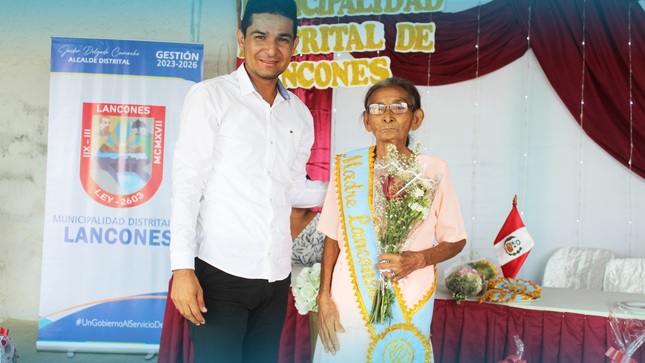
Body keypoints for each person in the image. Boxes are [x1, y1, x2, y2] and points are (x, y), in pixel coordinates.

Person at [169, 0, 327, 362]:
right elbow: (187, 185)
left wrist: (352, 189)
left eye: (282, 39)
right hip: (219, 273)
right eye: (260, 36)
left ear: (294, 46)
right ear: (241, 39)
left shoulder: (300, 114)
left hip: (274, 277)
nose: (271, 50)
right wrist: (182, 269)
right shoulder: (211, 97)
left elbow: (292, 188)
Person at [314, 77, 467, 362]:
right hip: (349, 295)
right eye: (377, 108)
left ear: (416, 118)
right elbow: (332, 238)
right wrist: (324, 295)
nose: (387, 115)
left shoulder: (434, 170)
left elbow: (456, 240)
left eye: (398, 107)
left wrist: (417, 260)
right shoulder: (347, 168)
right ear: (366, 121)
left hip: (410, 293)